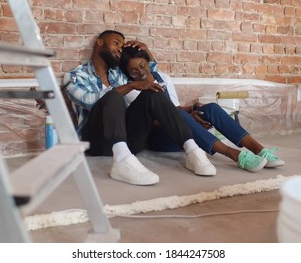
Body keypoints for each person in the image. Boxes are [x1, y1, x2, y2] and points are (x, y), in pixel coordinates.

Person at [63, 30, 216, 186]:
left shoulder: (117, 74)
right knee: (114, 95)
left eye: (122, 47)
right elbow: (90, 101)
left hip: (130, 140)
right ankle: (121, 162)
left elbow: (150, 72)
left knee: (152, 92)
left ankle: (192, 150)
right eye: (116, 43)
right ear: (100, 42)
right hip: (97, 142)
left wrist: (146, 51)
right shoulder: (75, 76)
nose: (119, 49)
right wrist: (132, 85)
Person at [120, 46, 285, 172]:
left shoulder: (163, 78)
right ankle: (235, 155)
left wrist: (191, 110)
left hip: (180, 128)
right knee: (181, 115)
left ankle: (259, 150)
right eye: (134, 71)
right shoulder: (133, 89)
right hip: (159, 138)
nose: (140, 72)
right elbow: (157, 121)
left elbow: (175, 108)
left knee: (210, 108)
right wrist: (188, 118)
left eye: (142, 66)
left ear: (148, 62)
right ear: (128, 73)